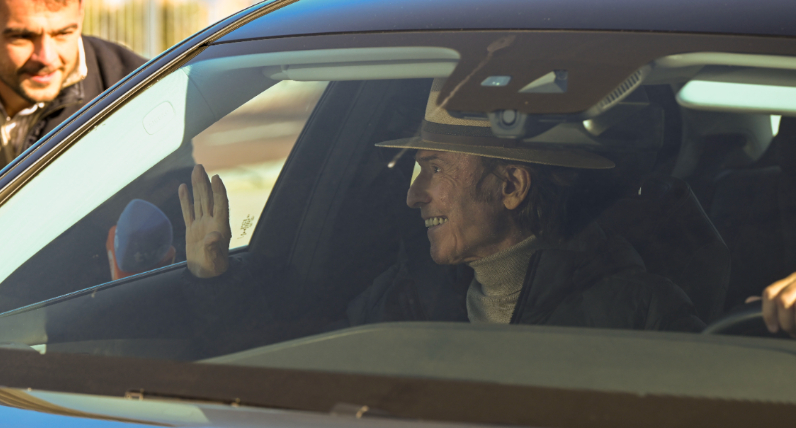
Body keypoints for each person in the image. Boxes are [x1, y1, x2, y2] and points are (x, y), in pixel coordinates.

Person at [178, 79, 706, 356]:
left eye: (435, 169)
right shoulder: (410, 297)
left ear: (511, 186)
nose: (414, 196)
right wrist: (214, 279)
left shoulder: (637, 314)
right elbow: (291, 376)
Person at [0, 0, 144, 173]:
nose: (47, 58)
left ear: (80, 13)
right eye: (22, 37)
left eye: (63, 33)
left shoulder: (141, 91)